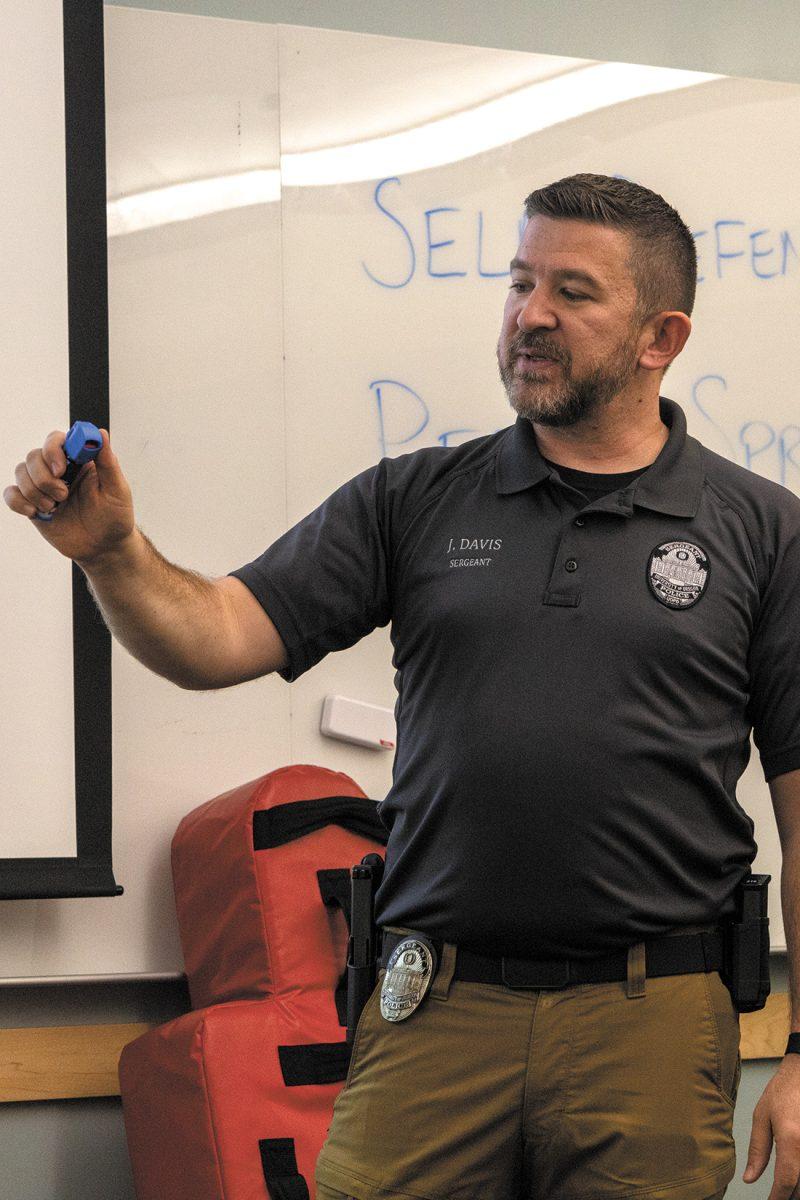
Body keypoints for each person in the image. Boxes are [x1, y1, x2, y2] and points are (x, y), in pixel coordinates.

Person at [6, 173, 800, 1200]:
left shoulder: (760, 532)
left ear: (659, 338)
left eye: (572, 291)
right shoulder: (415, 498)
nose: (530, 315)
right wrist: (111, 551)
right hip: (433, 1007)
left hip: (647, 1020)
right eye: (518, 283)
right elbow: (212, 638)